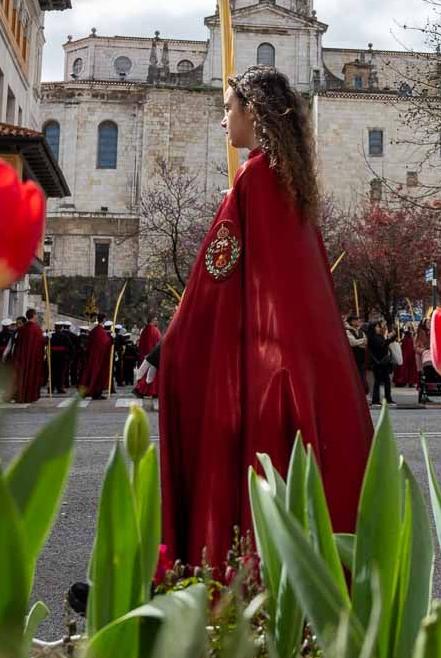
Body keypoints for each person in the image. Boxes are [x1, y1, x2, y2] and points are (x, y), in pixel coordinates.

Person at [158, 65, 372, 570]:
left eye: (227, 109)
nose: (223, 122)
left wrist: (170, 346)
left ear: (252, 112)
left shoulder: (253, 179)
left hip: (266, 372)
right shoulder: (291, 182)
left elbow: (214, 279)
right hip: (309, 368)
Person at [10, 309, 47, 404]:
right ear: (34, 316)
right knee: (30, 376)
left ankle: (20, 394)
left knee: (21, 377)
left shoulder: (22, 329)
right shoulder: (37, 329)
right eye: (36, 315)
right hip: (33, 359)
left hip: (22, 358)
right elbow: (41, 343)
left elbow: (17, 344)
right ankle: (29, 395)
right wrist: (47, 339)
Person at [78, 319, 113, 400]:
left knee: (89, 374)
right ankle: (96, 393)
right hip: (99, 357)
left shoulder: (94, 330)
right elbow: (105, 343)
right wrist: (111, 339)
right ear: (103, 320)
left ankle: (86, 391)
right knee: (97, 375)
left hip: (91, 356)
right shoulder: (101, 331)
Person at [49, 322, 78, 394]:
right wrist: (71, 356)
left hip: (53, 356)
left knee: (53, 372)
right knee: (61, 372)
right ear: (61, 328)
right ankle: (60, 387)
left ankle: (52, 387)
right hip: (62, 356)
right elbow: (70, 347)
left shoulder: (51, 336)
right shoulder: (65, 336)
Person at [345, 315, 368, 392]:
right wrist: (361, 341)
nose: (358, 322)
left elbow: (366, 342)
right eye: (356, 320)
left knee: (362, 377)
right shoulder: (348, 331)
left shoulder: (361, 332)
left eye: (358, 320)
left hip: (361, 358)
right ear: (352, 322)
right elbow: (352, 342)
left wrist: (359, 342)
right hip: (353, 357)